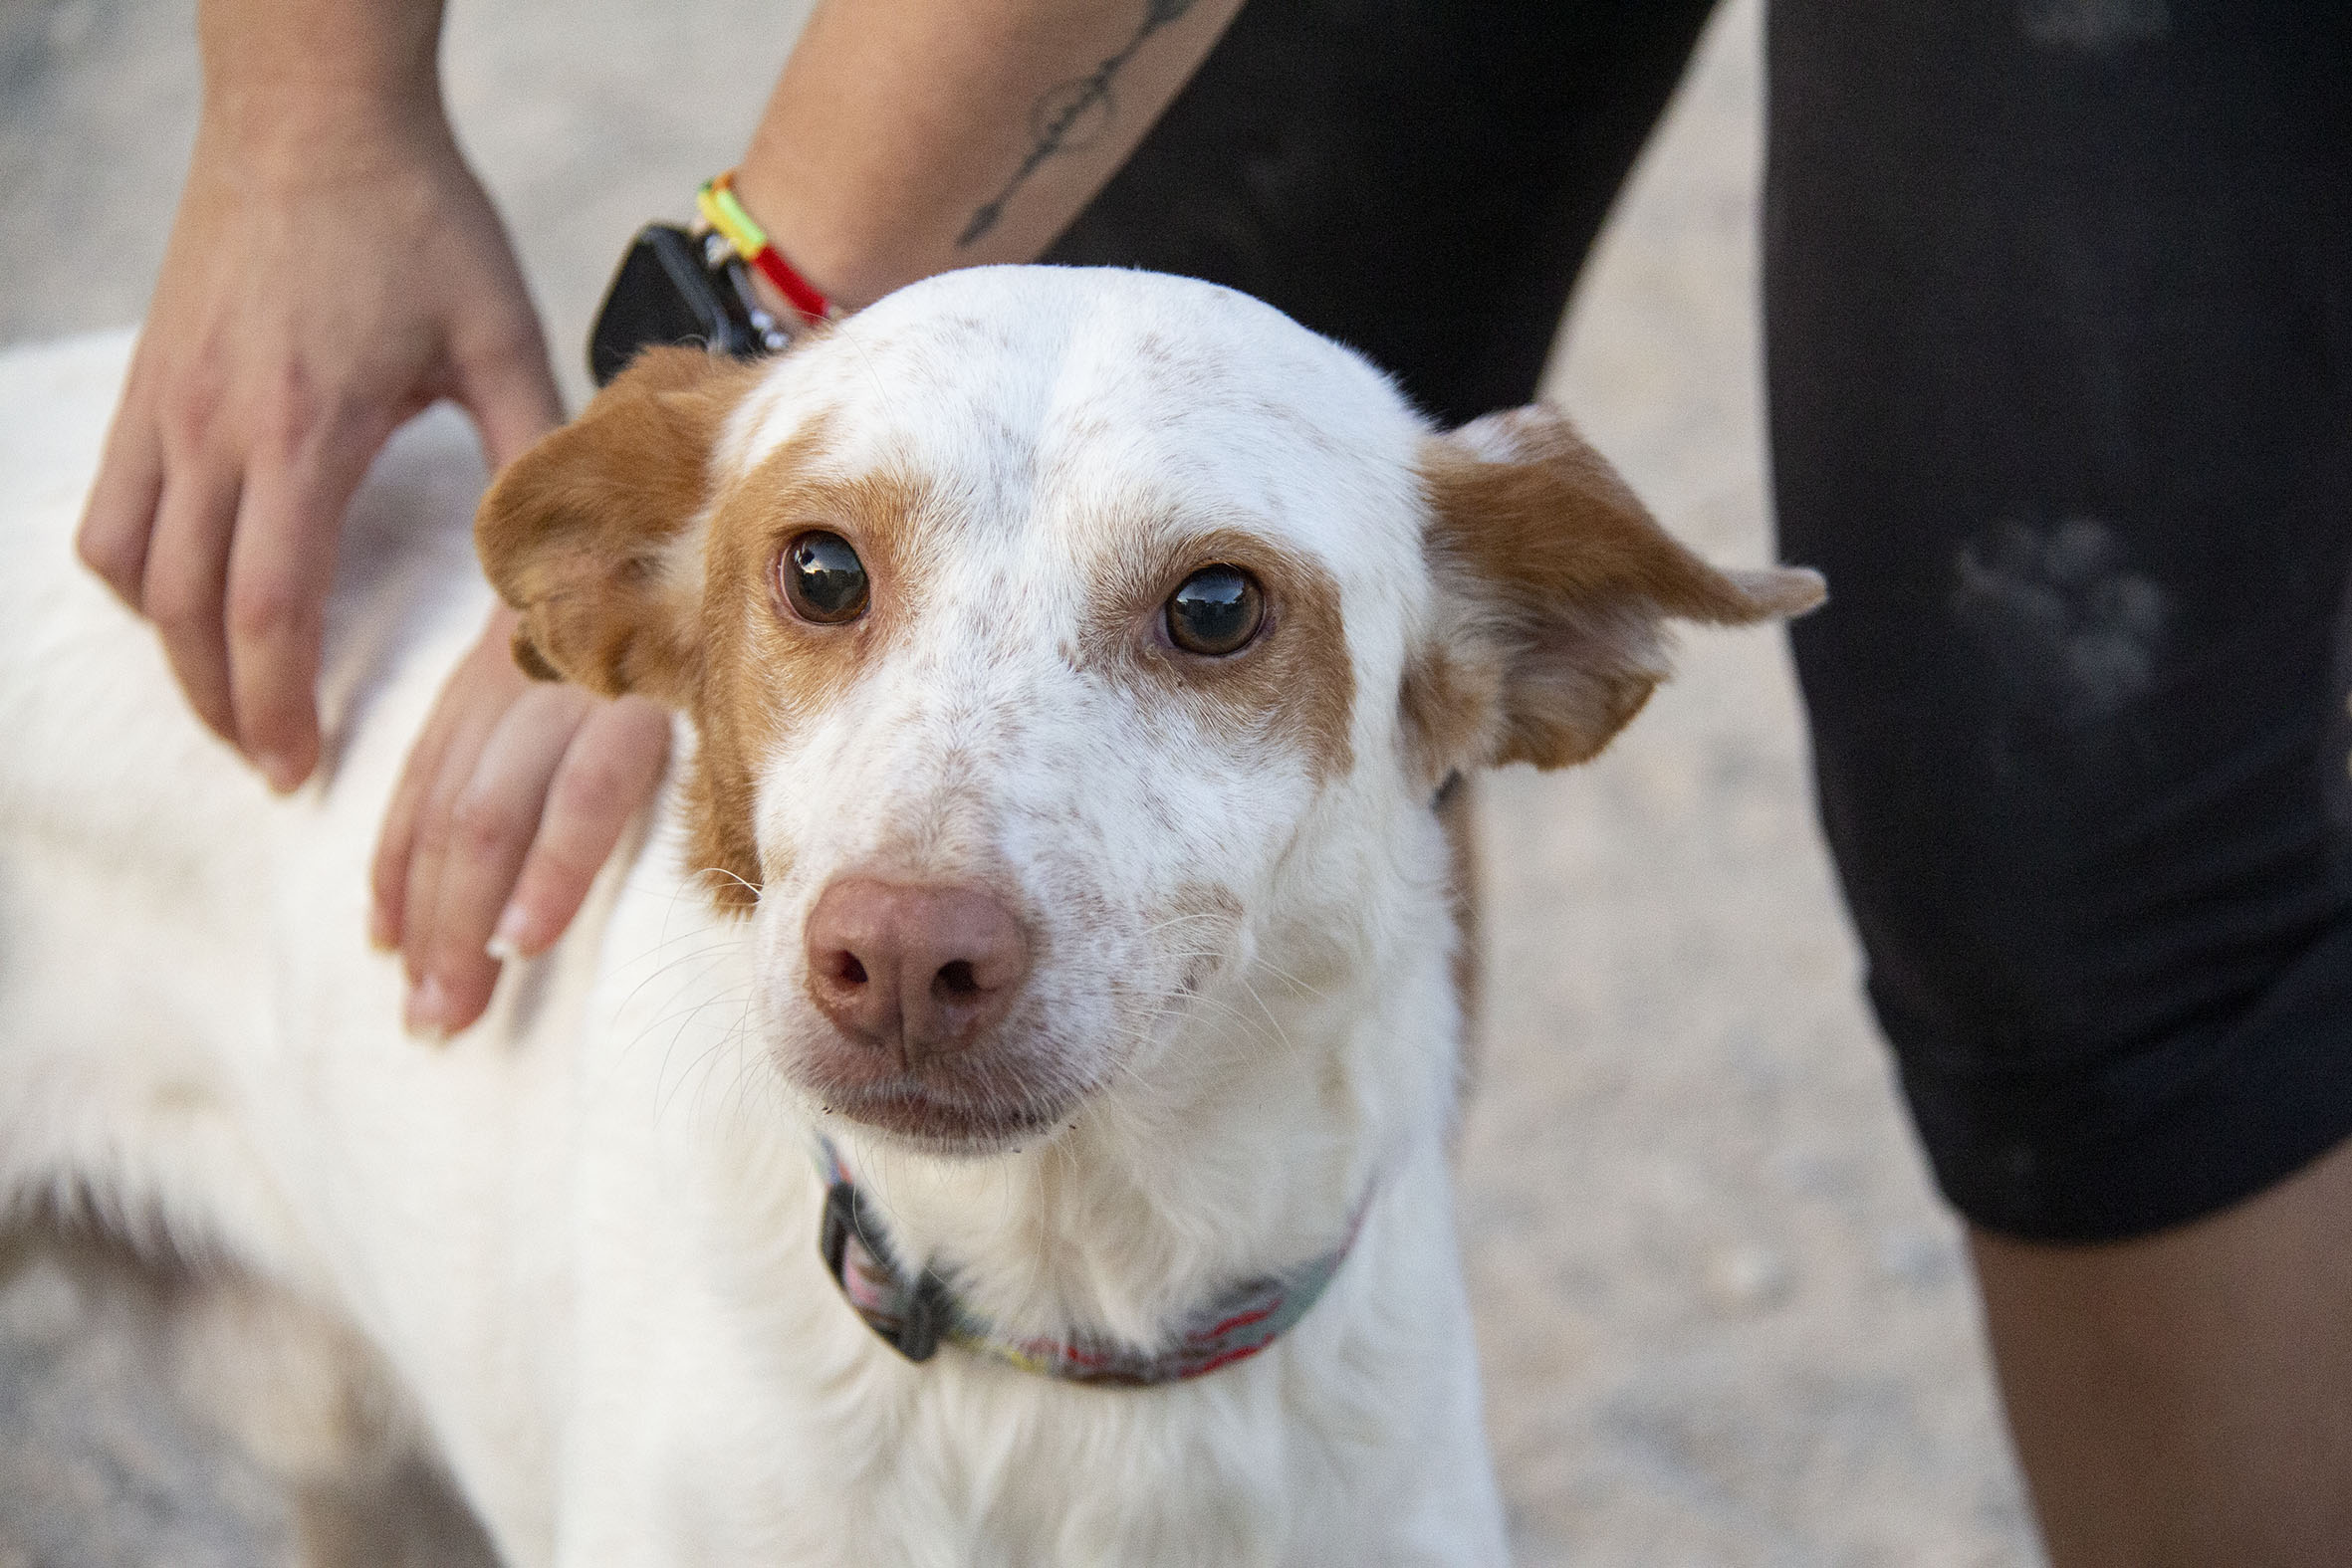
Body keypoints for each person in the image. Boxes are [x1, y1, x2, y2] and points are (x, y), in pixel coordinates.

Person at [77, 0, 2352, 1561]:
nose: (920, 894)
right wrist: (307, 116)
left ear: (1518, 652)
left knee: (2093, 887)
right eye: (824, 578)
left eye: (1202, 617)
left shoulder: (1446, 595)